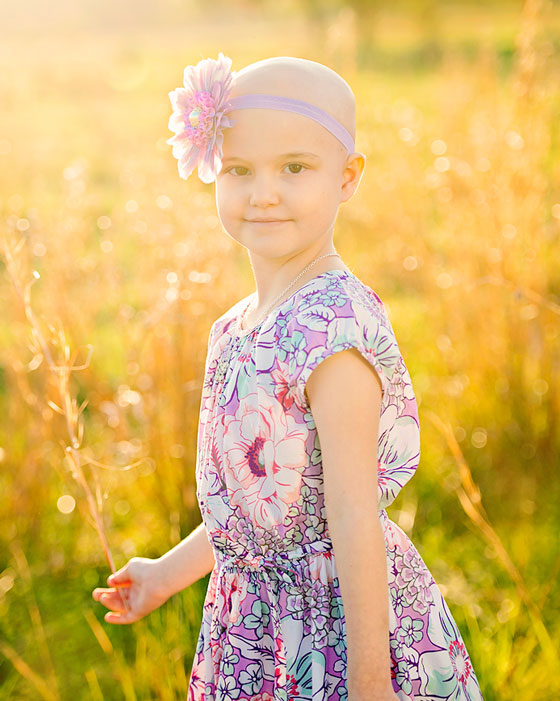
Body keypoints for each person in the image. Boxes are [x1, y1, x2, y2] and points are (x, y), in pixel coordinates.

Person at [92, 53, 484, 701]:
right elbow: (257, 518)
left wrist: (368, 682)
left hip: (330, 634)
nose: (263, 192)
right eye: (240, 170)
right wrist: (166, 573)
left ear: (347, 177)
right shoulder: (235, 329)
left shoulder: (333, 332)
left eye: (294, 168)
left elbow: (353, 517)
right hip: (253, 630)